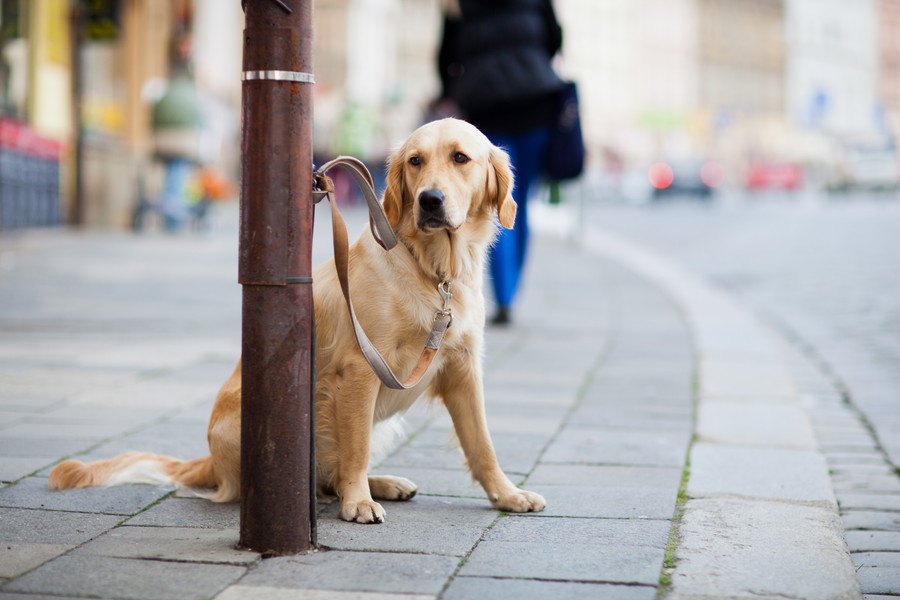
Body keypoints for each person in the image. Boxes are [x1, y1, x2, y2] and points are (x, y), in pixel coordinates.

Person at [438, 0, 566, 325]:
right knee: (519, 201)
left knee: (494, 203)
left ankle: (505, 293)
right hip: (535, 105)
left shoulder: (459, 5)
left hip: (486, 108)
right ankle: (511, 290)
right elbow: (555, 38)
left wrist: (456, 90)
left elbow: (445, 57)